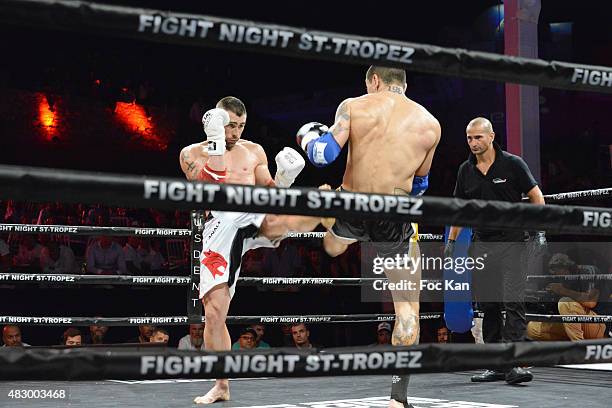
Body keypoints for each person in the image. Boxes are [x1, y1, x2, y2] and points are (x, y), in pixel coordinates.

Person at [297, 66, 440, 408]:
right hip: (394, 210)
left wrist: (306, 136)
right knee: (407, 312)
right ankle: (397, 397)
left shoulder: (354, 106)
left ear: (374, 81)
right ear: (403, 85)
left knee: (332, 247)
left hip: (353, 200)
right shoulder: (430, 123)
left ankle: (329, 214)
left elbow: (323, 155)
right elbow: (421, 184)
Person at [182, 97, 323, 405]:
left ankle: (327, 204)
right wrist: (216, 142)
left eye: (241, 126)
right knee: (214, 314)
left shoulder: (254, 150)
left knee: (274, 216)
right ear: (216, 120)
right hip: (218, 228)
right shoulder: (191, 153)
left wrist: (284, 180)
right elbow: (212, 187)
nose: (235, 132)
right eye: (230, 125)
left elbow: (269, 191)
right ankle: (221, 385)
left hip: (252, 214)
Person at [445, 117, 545, 385]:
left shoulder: (513, 164)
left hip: (513, 241)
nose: (473, 143)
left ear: (491, 136)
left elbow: (536, 196)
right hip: (481, 244)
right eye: (469, 138)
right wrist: (452, 242)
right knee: (488, 305)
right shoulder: (465, 170)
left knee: (513, 303)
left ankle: (513, 364)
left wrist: (538, 231)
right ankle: (496, 366)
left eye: (478, 137)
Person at [527, 253, 607, 341]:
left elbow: (591, 301)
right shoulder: (564, 280)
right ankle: (567, 346)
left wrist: (562, 290)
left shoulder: (589, 271)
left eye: (558, 273)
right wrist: (547, 295)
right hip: (572, 325)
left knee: (565, 302)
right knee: (532, 328)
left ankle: (580, 348)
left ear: (564, 267)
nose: (558, 277)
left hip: (596, 323)